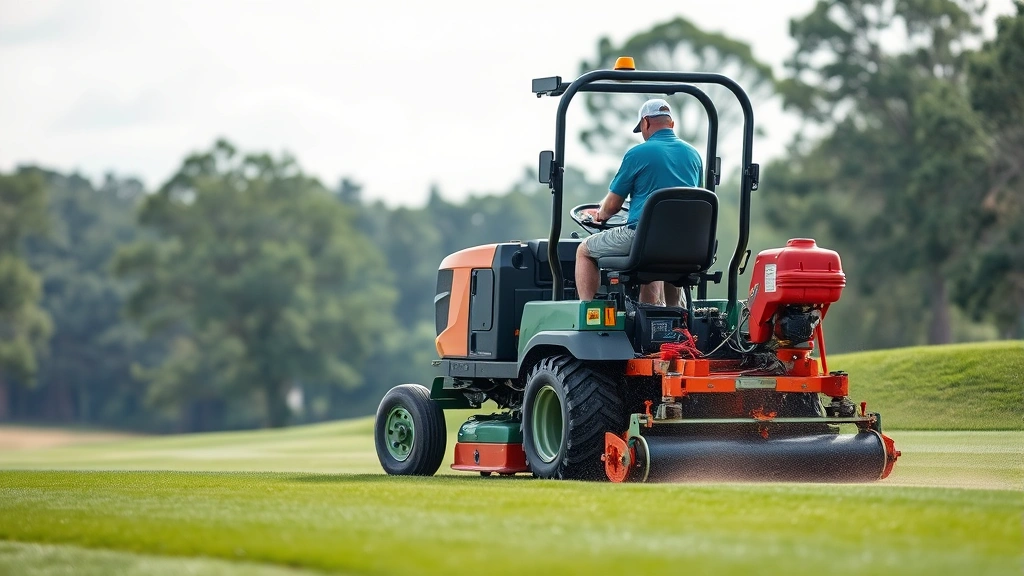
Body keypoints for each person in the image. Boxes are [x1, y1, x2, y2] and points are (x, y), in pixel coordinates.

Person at [574, 98, 704, 306]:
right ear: (671, 124)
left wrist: (600, 215)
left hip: (645, 242)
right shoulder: (694, 155)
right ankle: (678, 324)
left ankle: (588, 313)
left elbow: (612, 206)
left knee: (584, 250)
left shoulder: (637, 154)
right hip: (687, 245)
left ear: (645, 123)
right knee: (665, 261)